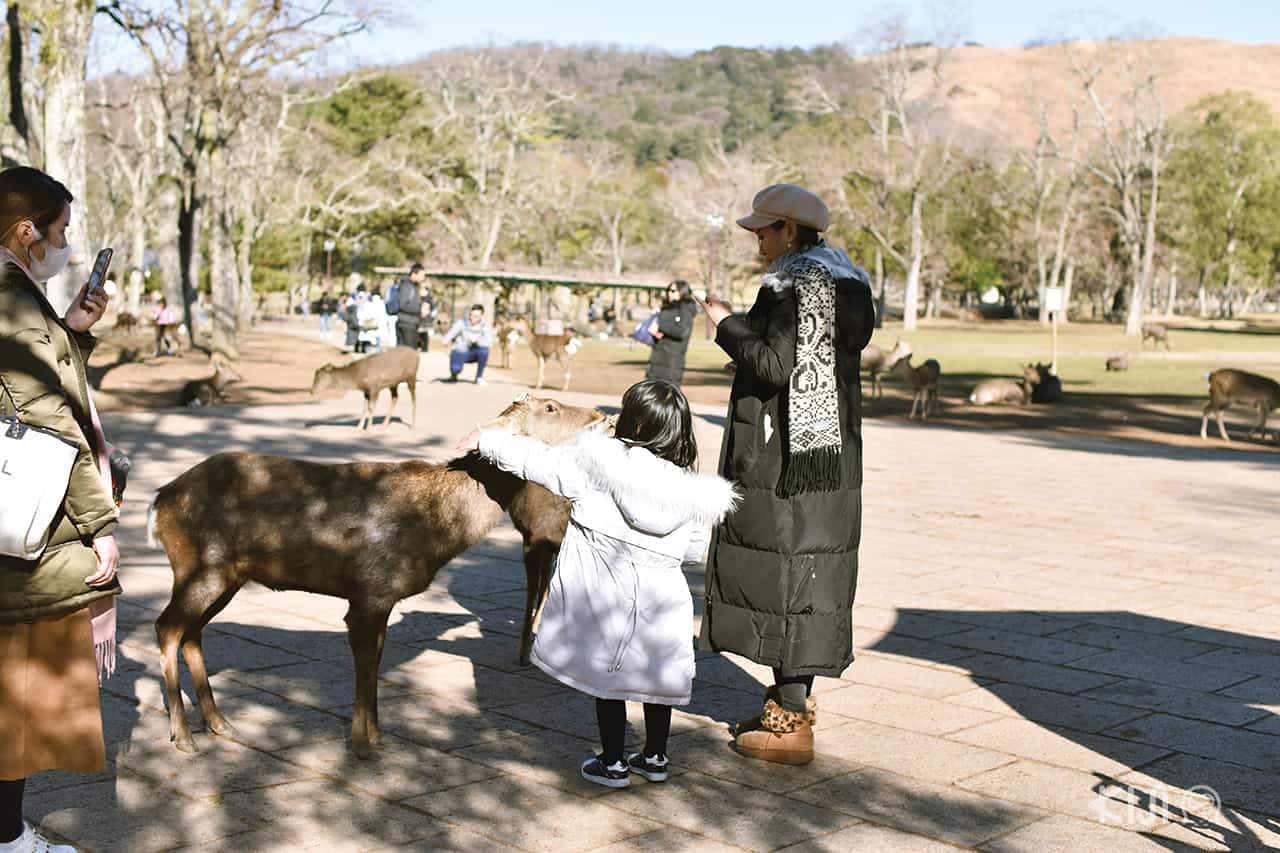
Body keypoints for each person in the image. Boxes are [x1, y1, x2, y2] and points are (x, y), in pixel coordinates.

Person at [458, 380, 737, 788]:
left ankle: (613, 761)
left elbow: (540, 463)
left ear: (636, 426)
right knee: (657, 678)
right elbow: (696, 550)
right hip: (662, 600)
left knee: (610, 681)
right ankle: (656, 757)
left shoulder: (597, 466)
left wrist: (488, 441)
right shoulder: (691, 492)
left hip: (608, 593)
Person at [693, 183, 875, 765]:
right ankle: (787, 706)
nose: (756, 240)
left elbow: (775, 364)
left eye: (762, 231)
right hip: (830, 451)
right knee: (811, 575)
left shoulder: (794, 284)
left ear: (788, 232)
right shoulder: (844, 283)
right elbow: (807, 363)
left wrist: (725, 323)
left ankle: (789, 725)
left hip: (788, 458)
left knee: (789, 575)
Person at [0, 166, 122, 853]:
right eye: (60, 232)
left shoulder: (22, 295)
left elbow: (31, 385)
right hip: (25, 529)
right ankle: (9, 841)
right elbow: (48, 420)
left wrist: (73, 329)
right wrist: (100, 523)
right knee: (15, 696)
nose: (65, 245)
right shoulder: (10, 300)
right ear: (26, 231)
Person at [644, 279, 698, 386]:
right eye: (668, 290)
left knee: (669, 393)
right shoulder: (666, 308)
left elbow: (681, 331)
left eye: (673, 291)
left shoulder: (685, 309)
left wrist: (660, 326)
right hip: (657, 356)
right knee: (651, 391)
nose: (669, 293)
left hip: (672, 360)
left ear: (682, 292)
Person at [443, 303, 492, 384]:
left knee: (484, 351)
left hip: (474, 352)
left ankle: (479, 378)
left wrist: (477, 341)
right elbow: (451, 333)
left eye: (475, 316)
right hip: (460, 351)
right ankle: (453, 375)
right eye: (471, 315)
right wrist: (446, 340)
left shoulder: (485, 325)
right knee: (456, 369)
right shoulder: (462, 323)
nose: (472, 318)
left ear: (481, 317)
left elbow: (488, 342)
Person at [390, 263, 425, 349]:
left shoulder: (413, 286)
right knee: (407, 353)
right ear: (414, 274)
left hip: (410, 322)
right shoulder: (407, 286)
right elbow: (403, 304)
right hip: (406, 324)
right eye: (422, 275)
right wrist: (420, 309)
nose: (423, 278)